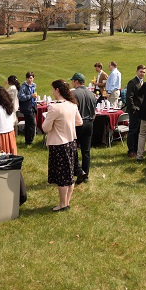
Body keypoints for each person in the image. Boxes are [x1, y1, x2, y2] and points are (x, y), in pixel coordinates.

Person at [42, 80, 82, 211]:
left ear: (57, 90)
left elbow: (45, 128)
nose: (53, 92)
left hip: (59, 144)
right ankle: (66, 202)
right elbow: (79, 122)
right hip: (71, 143)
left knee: (62, 177)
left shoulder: (54, 107)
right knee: (69, 174)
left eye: (53, 89)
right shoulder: (72, 104)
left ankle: (62, 204)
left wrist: (55, 124)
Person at [71, 72, 96, 183]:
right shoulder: (91, 94)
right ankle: (85, 174)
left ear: (76, 81)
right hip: (90, 123)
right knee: (86, 151)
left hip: (78, 123)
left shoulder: (74, 93)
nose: (72, 82)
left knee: (73, 149)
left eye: (73, 81)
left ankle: (79, 171)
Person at [125, 65, 146, 158]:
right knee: (133, 130)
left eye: (144, 72)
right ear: (137, 71)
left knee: (139, 130)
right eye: (141, 71)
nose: (142, 74)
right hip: (134, 111)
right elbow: (129, 97)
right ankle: (131, 150)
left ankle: (137, 148)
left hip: (141, 111)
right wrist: (133, 108)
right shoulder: (133, 82)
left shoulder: (143, 83)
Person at [18, 71, 38, 145]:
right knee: (31, 124)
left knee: (29, 124)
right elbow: (20, 97)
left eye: (31, 78)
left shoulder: (34, 86)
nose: (30, 80)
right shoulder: (23, 87)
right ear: (26, 79)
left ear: (33, 78)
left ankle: (28, 140)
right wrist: (30, 96)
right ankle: (30, 140)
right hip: (27, 108)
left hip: (32, 106)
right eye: (28, 78)